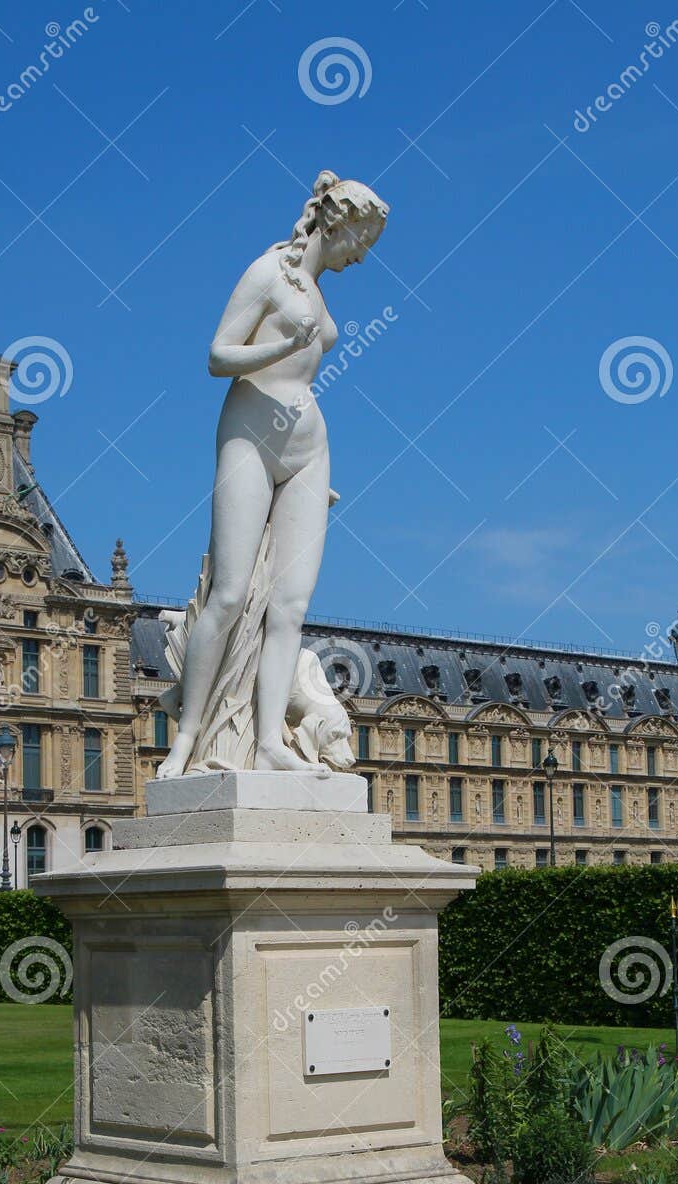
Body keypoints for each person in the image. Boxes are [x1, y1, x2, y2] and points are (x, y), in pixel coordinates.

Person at [157, 170, 389, 780]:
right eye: (362, 240)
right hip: (250, 436)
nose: (363, 256)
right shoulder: (266, 273)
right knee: (230, 594)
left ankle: (267, 744)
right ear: (336, 222)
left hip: (309, 449)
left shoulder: (317, 292)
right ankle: (186, 739)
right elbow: (218, 356)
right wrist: (282, 348)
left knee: (290, 607)